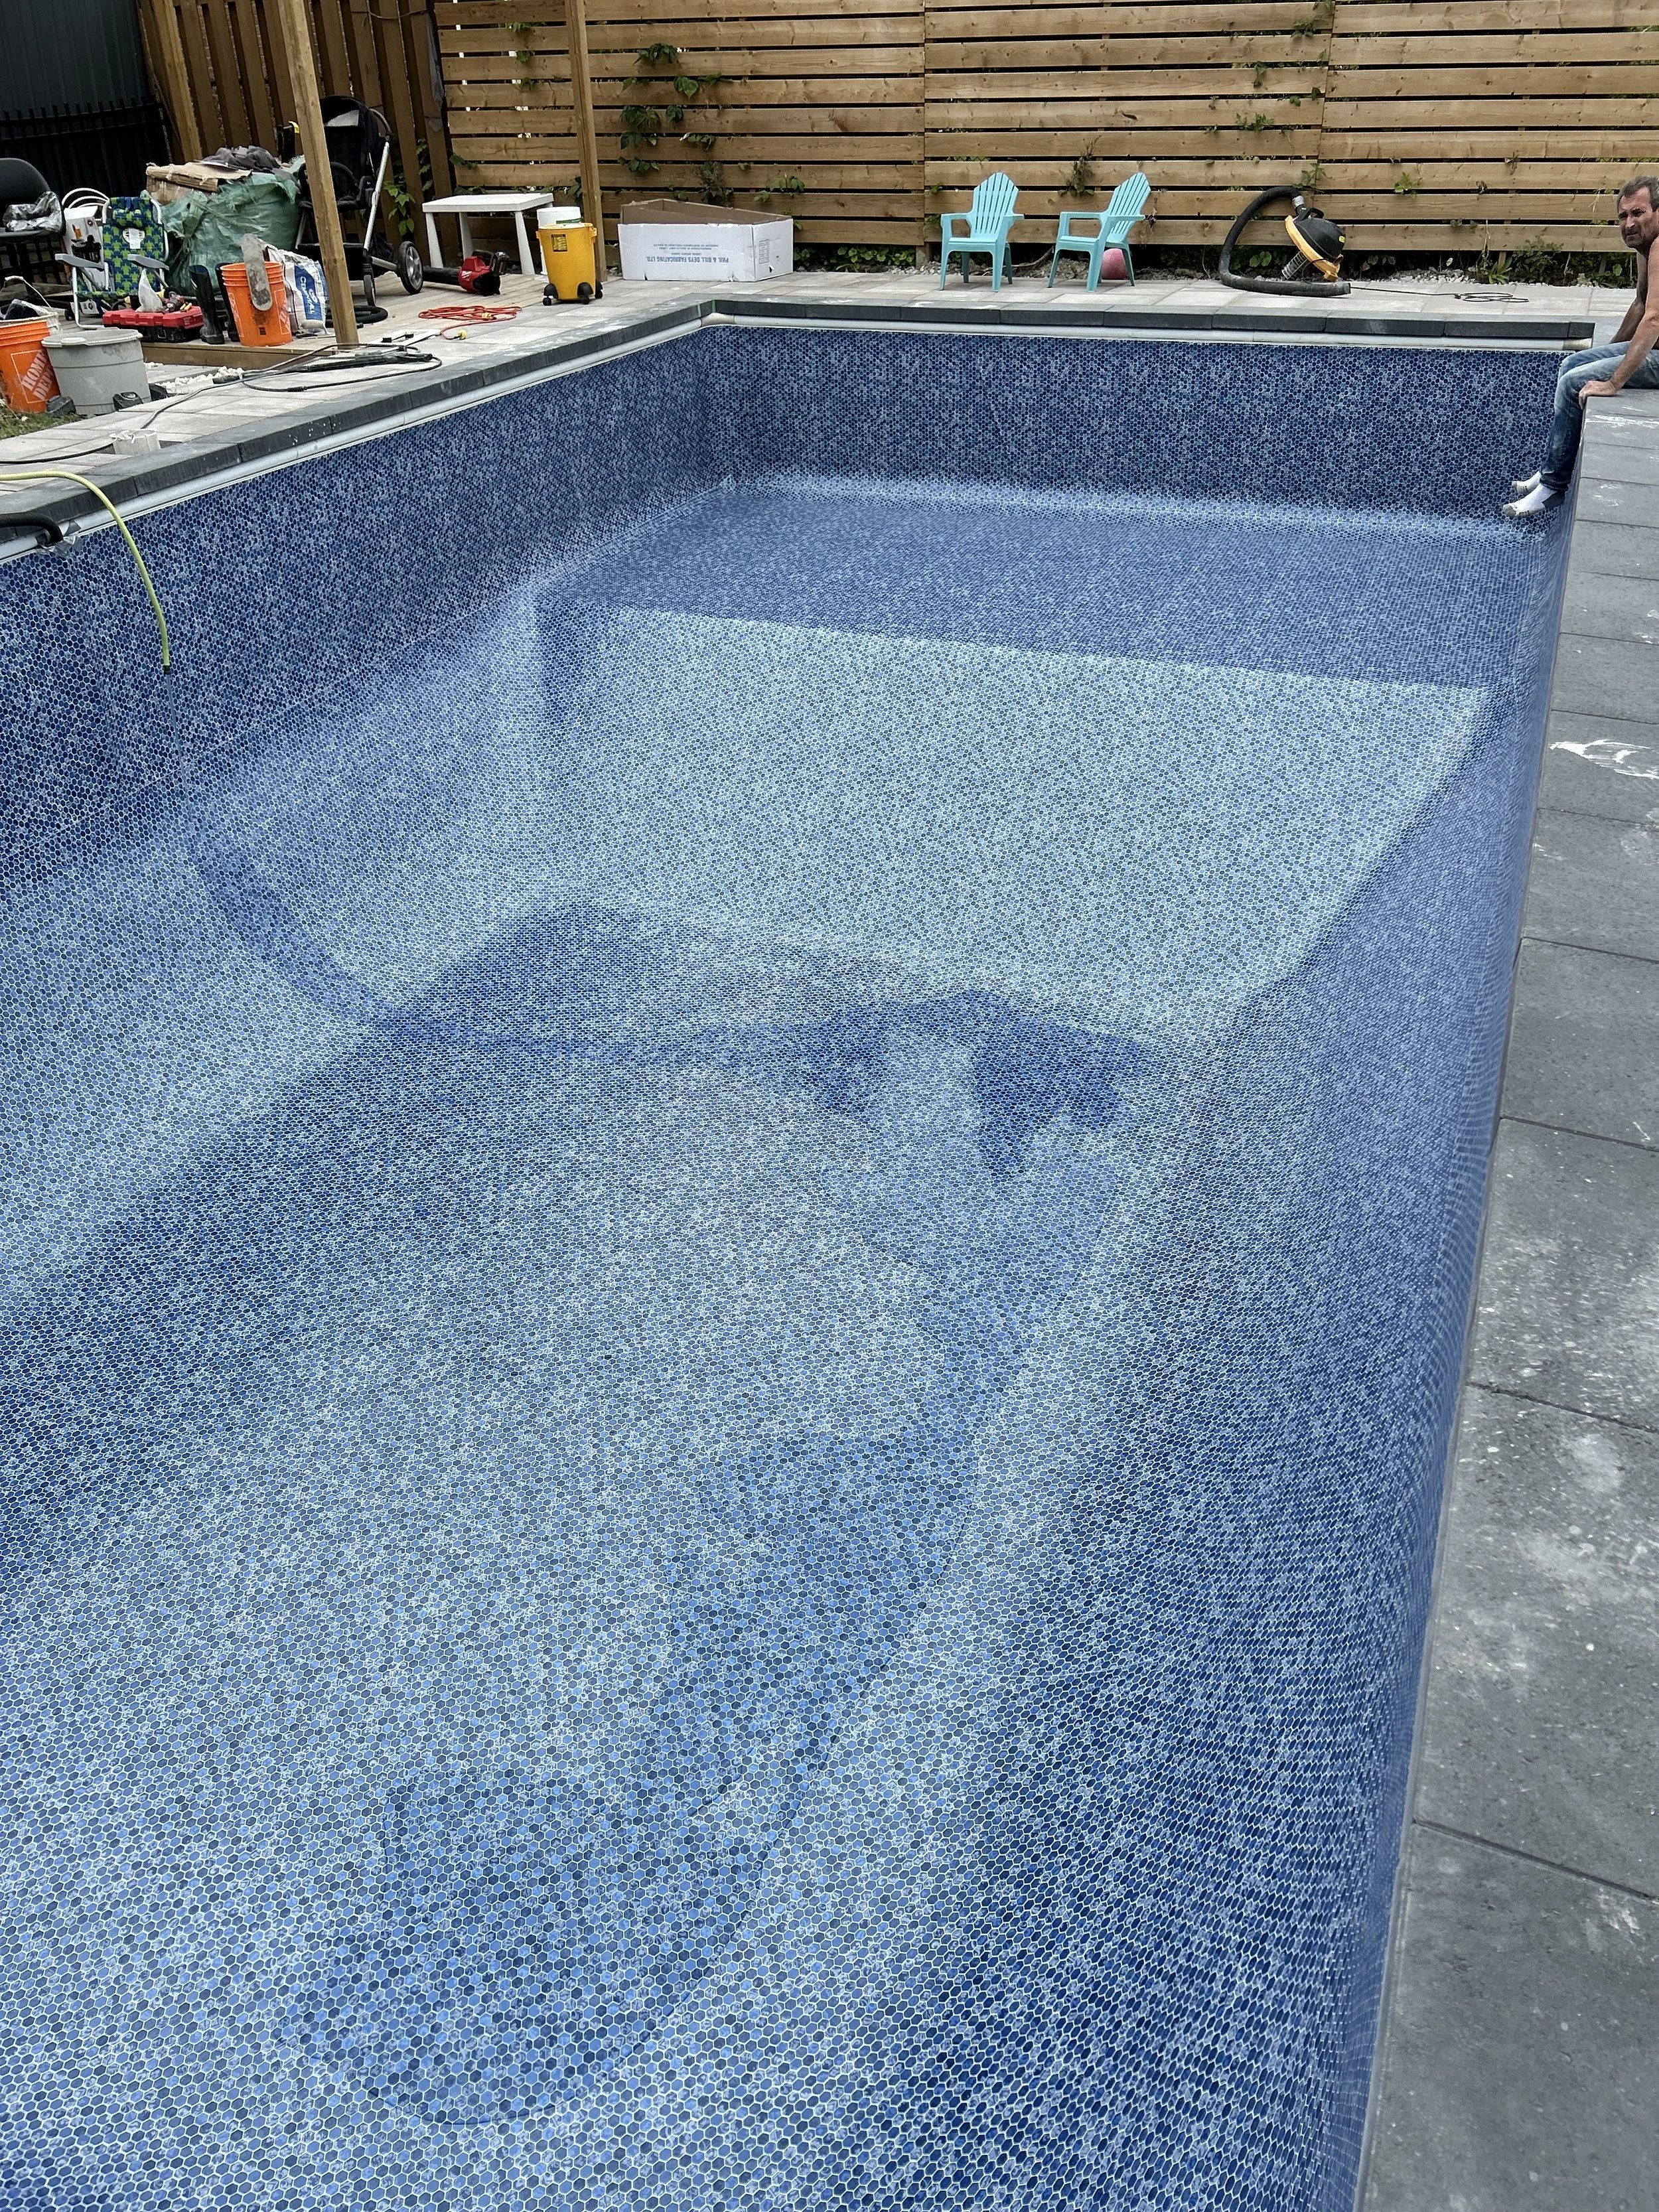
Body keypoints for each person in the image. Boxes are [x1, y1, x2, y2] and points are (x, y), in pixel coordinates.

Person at [1506, 177, 1659, 514]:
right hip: (1654, 348)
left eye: (1638, 213)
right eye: (1623, 216)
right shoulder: (1646, 246)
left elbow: (1653, 320)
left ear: (1657, 212)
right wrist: (1604, 353)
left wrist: (1613, 381)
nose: (1629, 223)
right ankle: (1555, 465)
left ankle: (1552, 487)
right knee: (1572, 366)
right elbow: (1639, 304)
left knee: (1575, 382)